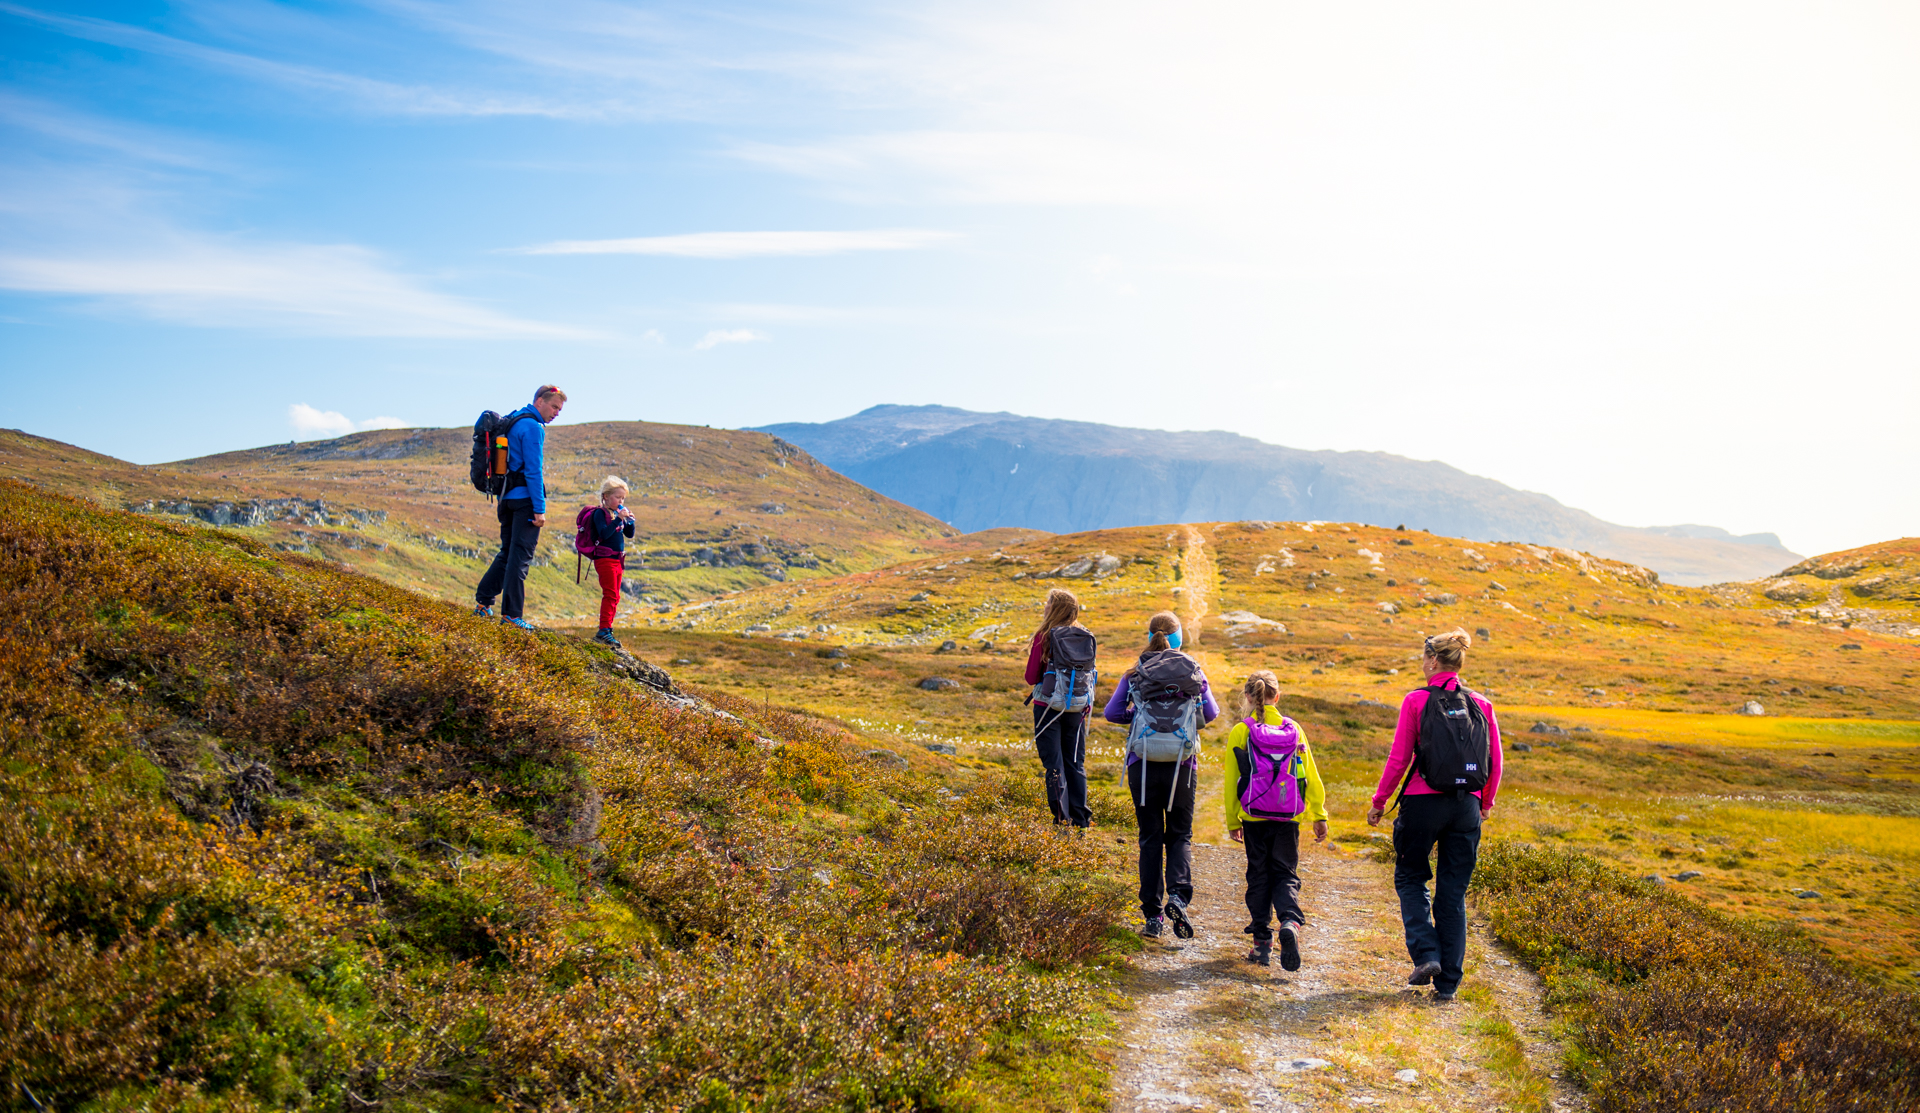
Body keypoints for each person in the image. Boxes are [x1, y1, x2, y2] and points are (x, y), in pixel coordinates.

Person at [1366, 628, 1503, 1002]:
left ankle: (1427, 955)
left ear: (1432, 660)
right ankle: (1448, 987)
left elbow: (1399, 758)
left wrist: (1380, 802)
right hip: (1466, 807)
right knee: (1452, 893)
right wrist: (1485, 803)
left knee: (1411, 877)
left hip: (1422, 804)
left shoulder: (1416, 701)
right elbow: (1496, 762)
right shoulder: (1482, 704)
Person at [1103, 611, 1218, 939]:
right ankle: (1179, 896)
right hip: (1182, 765)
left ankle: (1153, 917)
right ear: (1178, 637)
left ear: (1150, 634)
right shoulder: (1192, 671)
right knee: (1180, 834)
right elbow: (1210, 714)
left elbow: (1111, 712)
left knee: (1150, 838)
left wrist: (1139, 718)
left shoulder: (1135, 672)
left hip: (1143, 764)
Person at [1224, 670, 1328, 970]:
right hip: (1288, 816)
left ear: (1248, 697)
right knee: (1285, 873)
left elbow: (1232, 781)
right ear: (1277, 696)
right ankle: (1290, 922)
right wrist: (1319, 814)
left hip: (1253, 817)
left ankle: (1261, 944)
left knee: (1258, 874)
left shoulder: (1241, 732)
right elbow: (1310, 774)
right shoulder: (1293, 729)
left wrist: (1233, 819)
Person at [475, 385, 565, 630]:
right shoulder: (533, 428)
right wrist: (540, 509)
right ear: (539, 401)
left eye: (560, 409)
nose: (556, 412)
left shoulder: (513, 420)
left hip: (505, 499)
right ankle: (512, 615)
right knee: (520, 558)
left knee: (506, 553)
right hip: (525, 500)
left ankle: (483, 603)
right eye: (554, 406)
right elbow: (533, 471)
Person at [1023, 588, 1095, 831]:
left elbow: (1031, 677)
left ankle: (1062, 820)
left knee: (1054, 763)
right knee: (1074, 762)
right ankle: (1081, 819)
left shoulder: (1045, 636)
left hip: (1047, 708)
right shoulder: (1085, 636)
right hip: (1077, 708)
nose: (1044, 606)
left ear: (1055, 608)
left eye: (1048, 603)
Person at [582, 475, 637, 649]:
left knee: (615, 596)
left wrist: (630, 522)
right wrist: (618, 520)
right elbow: (604, 534)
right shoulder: (600, 513)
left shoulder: (616, 514)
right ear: (606, 496)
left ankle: (607, 629)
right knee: (610, 594)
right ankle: (603, 630)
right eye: (617, 497)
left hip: (617, 559)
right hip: (605, 559)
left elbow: (629, 535)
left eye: (623, 498)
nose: (620, 501)